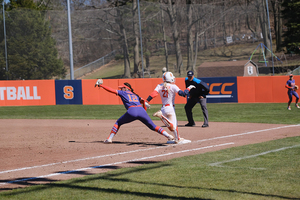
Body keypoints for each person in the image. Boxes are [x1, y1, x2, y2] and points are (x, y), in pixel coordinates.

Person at [94, 79, 175, 143]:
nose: (121, 88)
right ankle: (169, 136)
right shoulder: (135, 95)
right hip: (141, 110)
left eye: (122, 87)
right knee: (152, 126)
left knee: (118, 122)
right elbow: (143, 101)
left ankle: (109, 139)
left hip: (132, 111)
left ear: (126, 88)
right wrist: (144, 110)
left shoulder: (123, 93)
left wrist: (101, 85)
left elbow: (111, 90)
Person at [146, 71, 193, 144]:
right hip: (170, 108)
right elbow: (183, 94)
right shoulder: (173, 86)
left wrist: (146, 101)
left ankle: (177, 138)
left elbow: (153, 94)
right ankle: (161, 117)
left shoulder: (159, 85)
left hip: (163, 109)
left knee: (171, 127)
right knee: (174, 126)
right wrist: (189, 88)